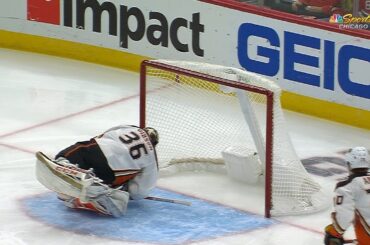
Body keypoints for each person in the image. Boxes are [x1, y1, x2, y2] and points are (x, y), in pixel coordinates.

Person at [35, 125, 159, 217]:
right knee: (113, 183)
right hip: (111, 173)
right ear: (154, 144)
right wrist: (127, 190)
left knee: (64, 155)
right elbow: (139, 192)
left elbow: (104, 134)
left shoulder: (130, 128)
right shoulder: (152, 158)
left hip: (94, 150)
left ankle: (67, 166)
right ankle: (102, 193)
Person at [324, 146, 370, 245]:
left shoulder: (346, 187)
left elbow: (345, 217)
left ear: (349, 164)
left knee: (334, 231)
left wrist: (334, 232)